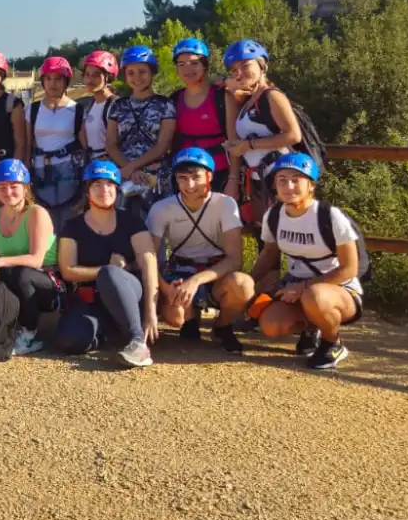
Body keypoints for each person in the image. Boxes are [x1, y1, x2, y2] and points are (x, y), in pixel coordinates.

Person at [248, 153, 364, 370]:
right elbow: (269, 254)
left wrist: (303, 287)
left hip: (338, 289)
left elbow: (350, 269)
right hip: (295, 285)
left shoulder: (329, 216)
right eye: (282, 180)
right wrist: (249, 283)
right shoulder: (273, 215)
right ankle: (312, 327)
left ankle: (333, 342)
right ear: (274, 184)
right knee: (271, 326)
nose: (288, 186)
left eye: (296, 179)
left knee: (315, 296)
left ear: (311, 185)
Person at [54, 160, 160, 368]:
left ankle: (138, 341)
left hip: (129, 294)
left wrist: (150, 311)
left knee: (111, 274)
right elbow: (68, 271)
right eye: (97, 185)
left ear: (117, 189)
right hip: (93, 300)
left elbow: (149, 263)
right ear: (87, 191)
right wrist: (104, 270)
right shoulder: (72, 226)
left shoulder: (132, 222)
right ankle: (111, 331)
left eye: (110, 184)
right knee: (69, 340)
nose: (104, 190)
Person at [148, 148, 254, 352]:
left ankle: (222, 326)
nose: (189, 185)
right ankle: (190, 317)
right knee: (174, 318)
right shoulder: (161, 208)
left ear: (210, 176)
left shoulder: (225, 204)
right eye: (182, 178)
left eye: (196, 177)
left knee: (243, 285)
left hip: (216, 272)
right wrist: (167, 287)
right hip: (181, 269)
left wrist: (195, 281)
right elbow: (150, 257)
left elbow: (234, 259)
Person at [0, 158, 61, 353]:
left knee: (22, 274)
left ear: (26, 188)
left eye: (14, 186)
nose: (8, 192)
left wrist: (0, 261)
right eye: (2, 187)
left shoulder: (36, 213)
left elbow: (36, 260)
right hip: (16, 277)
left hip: (49, 282)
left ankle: (29, 334)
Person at [222, 39, 305, 232]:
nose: (239, 74)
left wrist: (248, 145)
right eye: (234, 71)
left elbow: (293, 136)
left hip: (280, 179)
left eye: (245, 66)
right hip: (260, 180)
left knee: (281, 237)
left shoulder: (272, 96)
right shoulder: (250, 100)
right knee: (265, 235)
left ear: (262, 65)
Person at [105, 46, 176, 214]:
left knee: (156, 228)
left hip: (155, 176)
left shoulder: (165, 105)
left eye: (142, 72)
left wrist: (133, 168)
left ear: (152, 73)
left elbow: (162, 145)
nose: (137, 78)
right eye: (131, 73)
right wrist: (130, 170)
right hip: (124, 175)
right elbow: (111, 144)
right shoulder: (118, 106)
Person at [169, 38, 232, 192]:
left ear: (204, 65)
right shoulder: (175, 98)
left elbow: (234, 141)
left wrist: (234, 179)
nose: (187, 69)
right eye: (181, 64)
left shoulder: (222, 96)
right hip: (184, 175)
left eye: (194, 63)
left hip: (219, 173)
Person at [27, 57, 87, 210]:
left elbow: (85, 146)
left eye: (58, 79)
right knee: (45, 214)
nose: (53, 83)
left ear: (66, 81)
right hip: (40, 168)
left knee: (68, 213)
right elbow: (26, 144)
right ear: (43, 81)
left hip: (68, 168)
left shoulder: (77, 110)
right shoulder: (32, 110)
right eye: (48, 78)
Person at [79, 50, 119, 166]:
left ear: (108, 77)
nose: (90, 80)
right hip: (92, 165)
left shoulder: (116, 105)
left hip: (110, 166)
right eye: (87, 74)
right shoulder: (89, 105)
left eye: (96, 75)